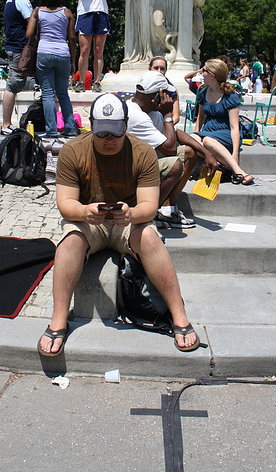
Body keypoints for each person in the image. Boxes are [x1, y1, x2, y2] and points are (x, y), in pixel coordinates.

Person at [37, 93, 200, 356]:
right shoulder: (72, 150)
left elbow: (149, 205)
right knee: (69, 241)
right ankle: (58, 319)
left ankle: (179, 315)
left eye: (115, 133)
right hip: (91, 220)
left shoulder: (143, 152)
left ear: (125, 125)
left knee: (149, 237)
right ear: (92, 125)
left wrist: (132, 215)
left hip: (128, 222)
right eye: (102, 134)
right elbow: (65, 203)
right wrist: (83, 210)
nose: (108, 140)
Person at [126, 70, 216, 229]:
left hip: (145, 162)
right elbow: (170, 147)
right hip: (130, 173)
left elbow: (174, 134)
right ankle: (147, 214)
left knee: (188, 153)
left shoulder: (150, 111)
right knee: (175, 164)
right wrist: (168, 114)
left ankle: (168, 210)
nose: (169, 98)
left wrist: (206, 153)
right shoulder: (136, 115)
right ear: (155, 96)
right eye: (165, 94)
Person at [26, 0, 78, 138]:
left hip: (44, 53)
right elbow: (72, 38)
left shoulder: (37, 12)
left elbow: (29, 34)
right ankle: (70, 129)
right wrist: (73, 61)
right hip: (63, 54)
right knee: (63, 94)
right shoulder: (67, 13)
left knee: (48, 94)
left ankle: (51, 130)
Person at [191, 59, 254, 185]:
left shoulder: (229, 96)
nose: (201, 73)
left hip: (226, 133)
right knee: (191, 138)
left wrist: (235, 153)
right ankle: (224, 166)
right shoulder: (203, 93)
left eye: (204, 70)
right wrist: (196, 137)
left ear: (212, 75)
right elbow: (201, 117)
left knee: (208, 140)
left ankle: (237, 170)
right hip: (207, 132)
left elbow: (234, 127)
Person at [74, 0, 113, 93]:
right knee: (84, 50)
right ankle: (81, 82)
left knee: (98, 51)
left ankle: (97, 81)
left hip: (101, 13)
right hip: (85, 14)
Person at [1, 0, 34, 135]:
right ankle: (5, 125)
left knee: (14, 84)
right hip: (19, 48)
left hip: (14, 47)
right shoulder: (21, 0)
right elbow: (32, 22)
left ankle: (7, 124)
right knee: (12, 86)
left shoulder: (10, 0)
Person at [148, 55, 180, 125]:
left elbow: (176, 117)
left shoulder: (172, 90)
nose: (159, 71)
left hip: (166, 125)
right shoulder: (144, 87)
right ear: (149, 69)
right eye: (156, 68)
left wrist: (164, 126)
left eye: (162, 69)